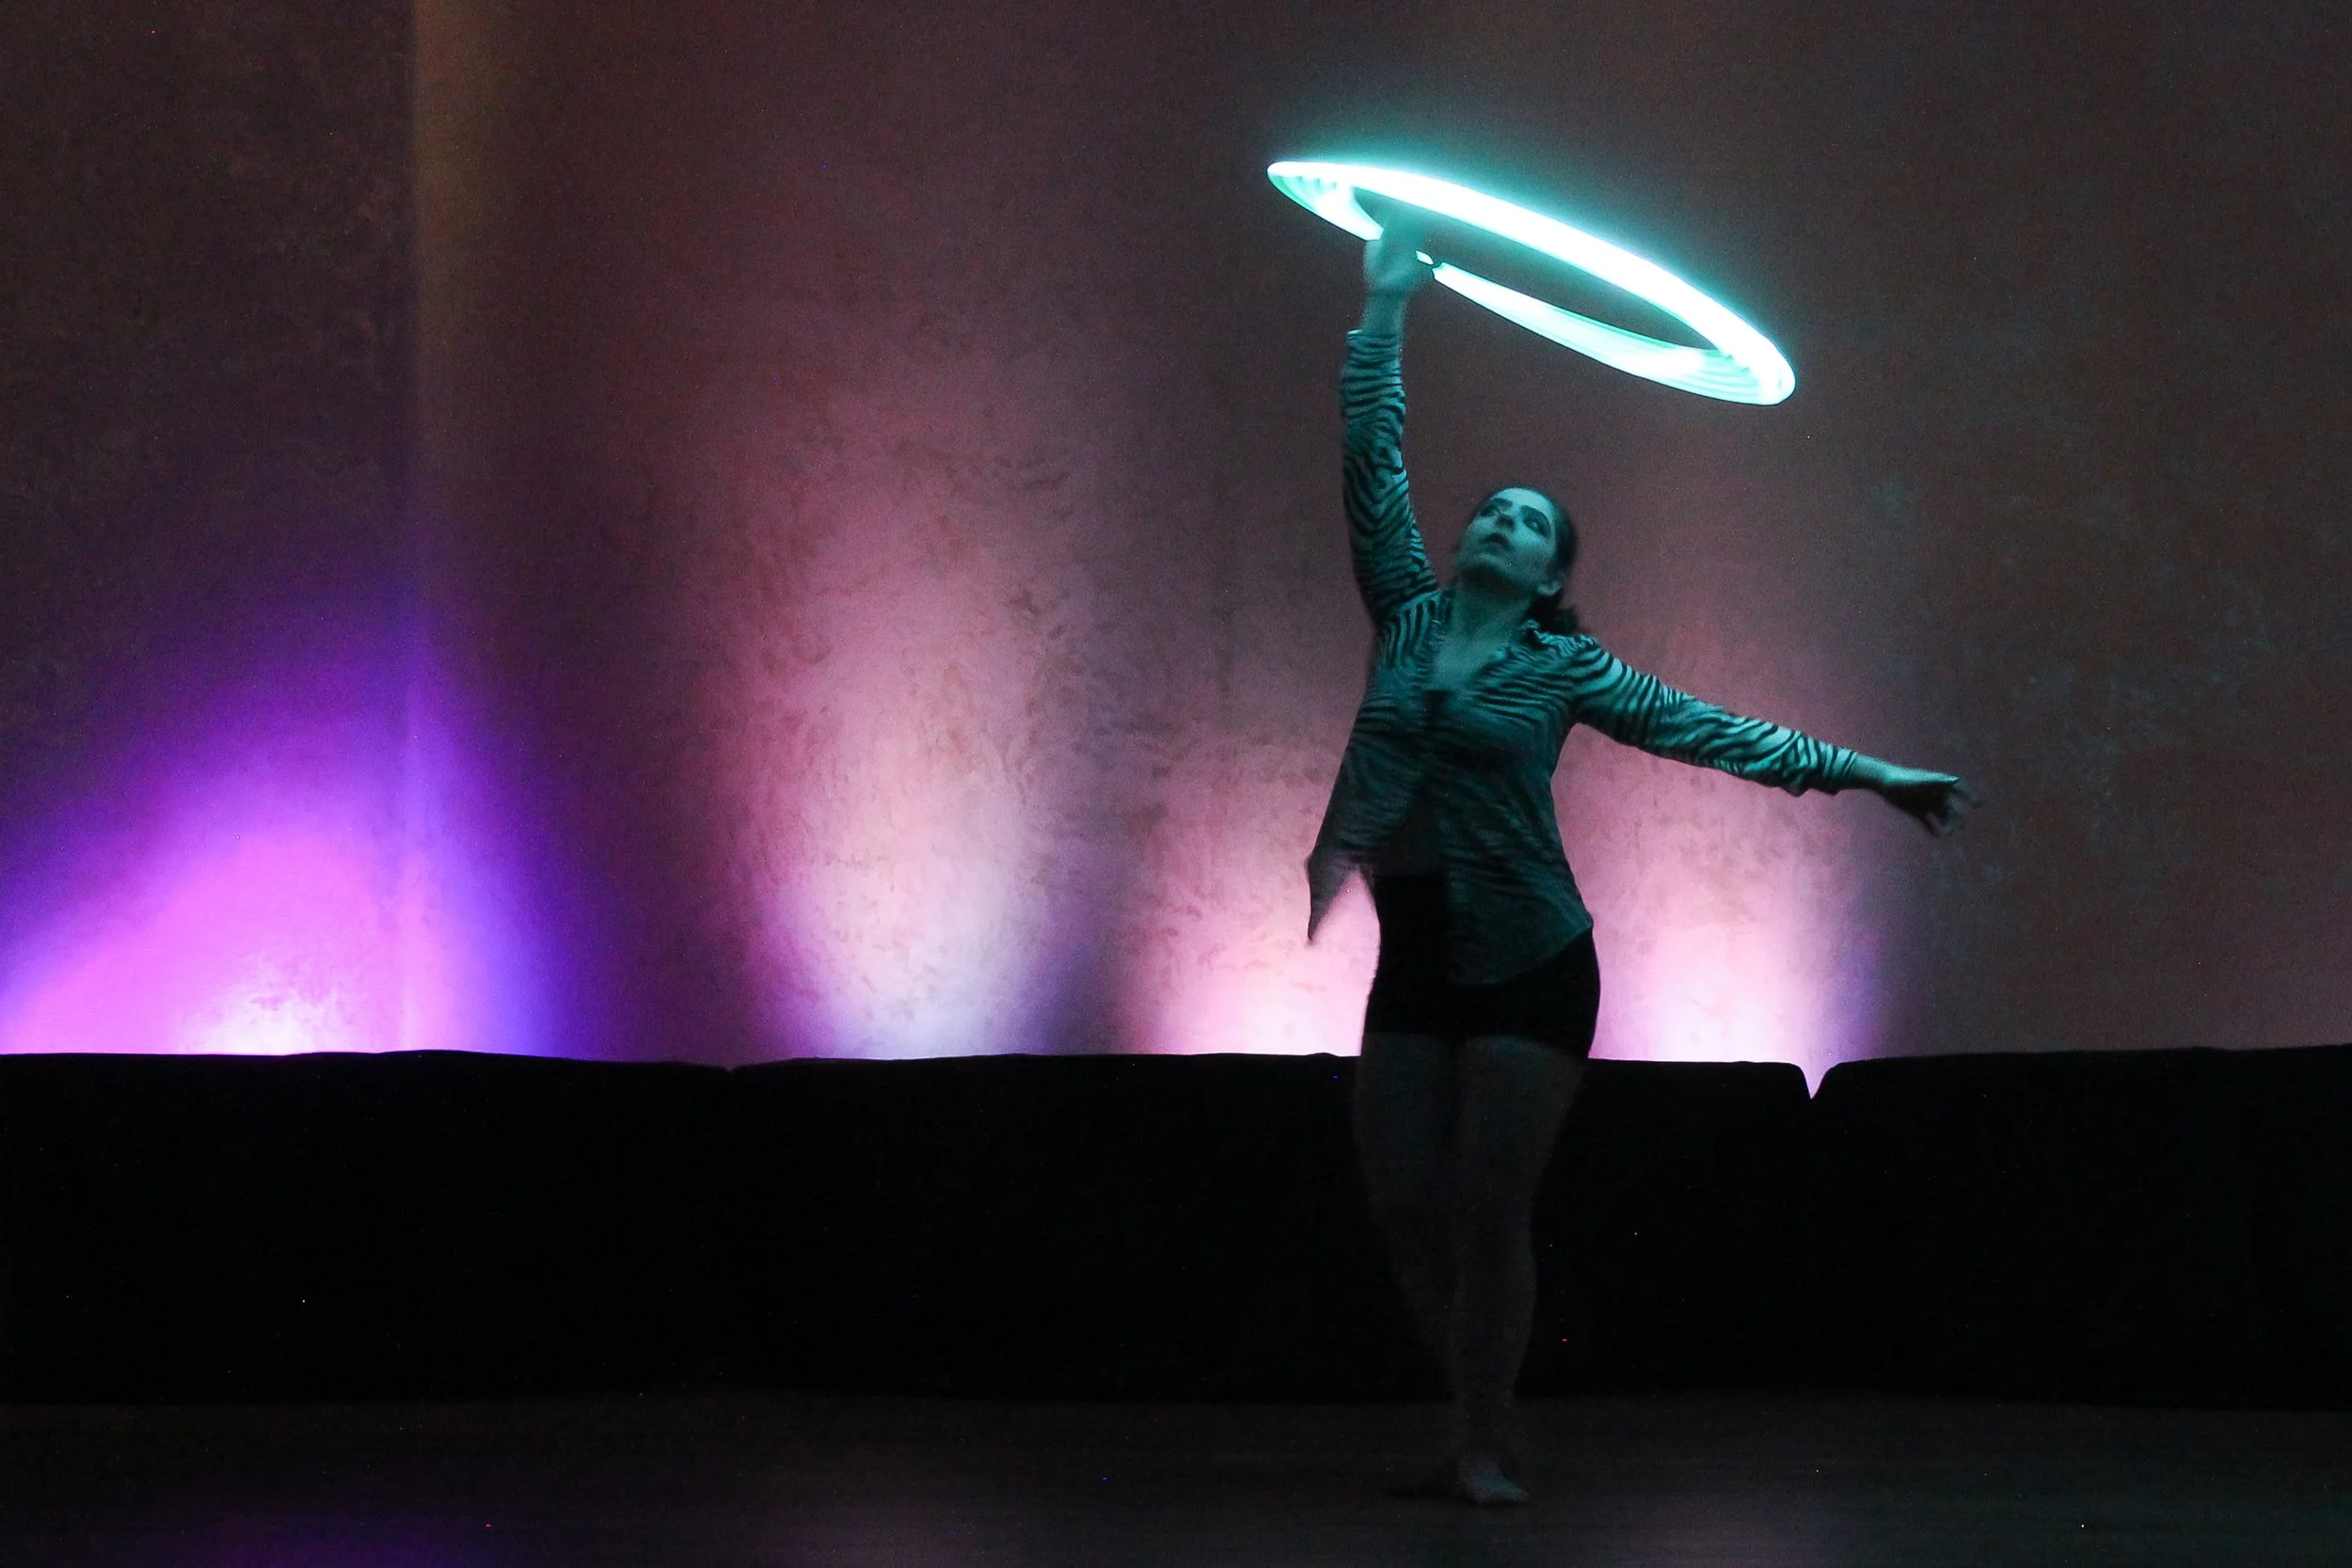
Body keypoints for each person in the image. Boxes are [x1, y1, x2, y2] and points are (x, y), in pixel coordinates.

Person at [1312, 224, 1974, 1507]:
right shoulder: (1405, 614)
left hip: (1532, 957)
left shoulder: (1570, 669)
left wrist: (1870, 774)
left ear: (1549, 574)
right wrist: (1385, 304)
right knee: (1402, 1205)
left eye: (1528, 522)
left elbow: (1708, 728)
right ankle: (1480, 1412)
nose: (1499, 521)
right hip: (1418, 947)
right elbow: (1370, 459)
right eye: (1490, 510)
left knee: (1488, 1205)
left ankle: (1481, 1439)